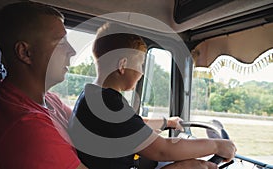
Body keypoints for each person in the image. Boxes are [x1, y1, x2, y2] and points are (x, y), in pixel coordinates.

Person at [68, 22, 237, 169]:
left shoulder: (92, 96)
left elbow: (134, 123)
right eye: (141, 64)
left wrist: (168, 122)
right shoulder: (109, 103)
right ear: (122, 65)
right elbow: (162, 150)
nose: (142, 72)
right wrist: (217, 145)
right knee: (197, 166)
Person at [0, 2, 88, 169]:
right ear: (25, 53)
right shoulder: (27, 129)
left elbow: (87, 134)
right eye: (61, 42)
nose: (72, 51)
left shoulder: (47, 99)